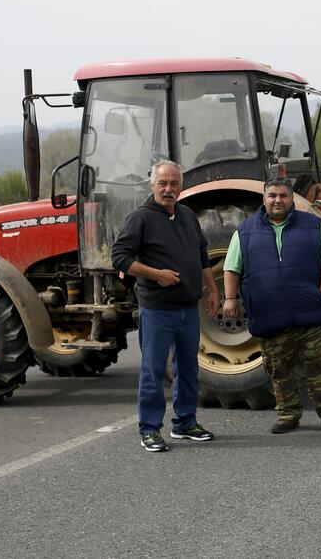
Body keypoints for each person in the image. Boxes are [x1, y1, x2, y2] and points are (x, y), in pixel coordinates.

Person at [222, 178, 321, 434]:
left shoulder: (313, 226)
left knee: (320, 366)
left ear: (291, 199)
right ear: (264, 199)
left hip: (309, 311)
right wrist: (230, 298)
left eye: (282, 195)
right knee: (279, 369)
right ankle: (288, 414)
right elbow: (231, 268)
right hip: (270, 314)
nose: (277, 200)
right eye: (272, 195)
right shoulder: (244, 232)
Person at [112, 160, 220, 452]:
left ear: (181, 186)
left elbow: (201, 255)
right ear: (152, 185)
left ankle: (185, 423)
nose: (169, 189)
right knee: (153, 370)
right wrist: (155, 275)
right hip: (157, 310)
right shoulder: (141, 218)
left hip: (188, 307)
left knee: (188, 369)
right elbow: (119, 257)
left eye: (174, 183)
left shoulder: (186, 215)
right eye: (163, 183)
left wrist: (213, 290)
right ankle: (149, 429)